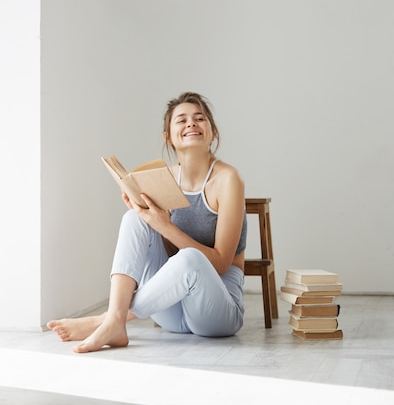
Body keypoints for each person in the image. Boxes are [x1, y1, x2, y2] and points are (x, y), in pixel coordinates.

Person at [47, 91, 247, 353]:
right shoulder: (162, 180)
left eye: (200, 118)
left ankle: (108, 320)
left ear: (213, 132)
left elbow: (221, 264)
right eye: (182, 120)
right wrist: (148, 218)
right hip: (172, 314)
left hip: (216, 313)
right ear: (168, 137)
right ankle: (115, 319)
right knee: (133, 218)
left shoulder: (228, 179)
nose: (191, 124)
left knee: (190, 258)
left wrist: (165, 226)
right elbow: (162, 253)